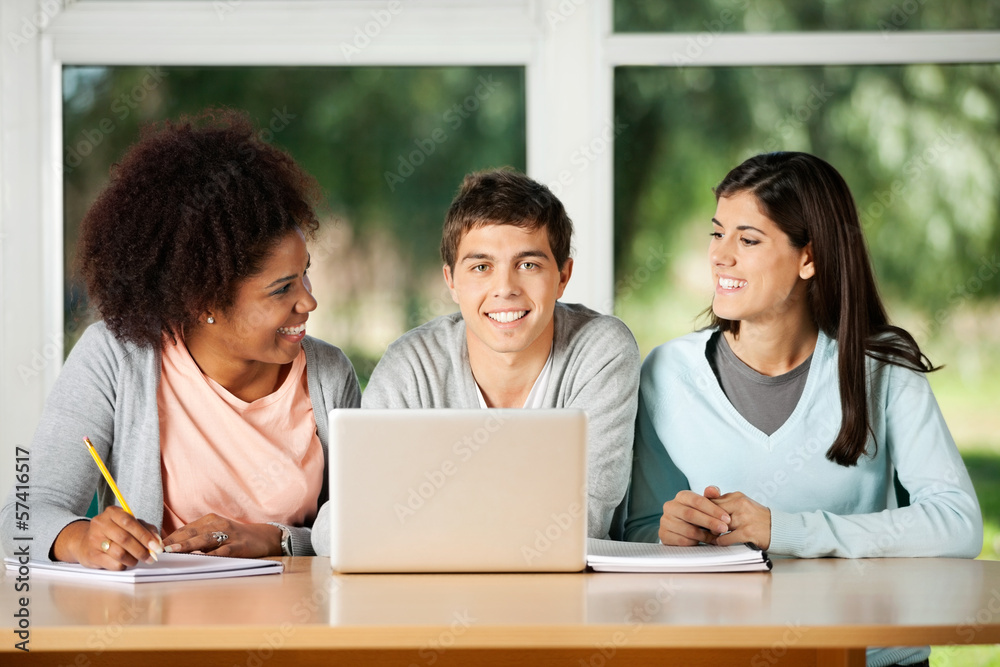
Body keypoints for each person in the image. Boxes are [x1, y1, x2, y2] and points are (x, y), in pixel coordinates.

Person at [624, 151, 982, 667]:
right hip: (723, 656)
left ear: (808, 258)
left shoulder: (882, 369)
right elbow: (636, 532)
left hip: (872, 658)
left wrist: (786, 530)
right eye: (717, 233)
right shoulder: (667, 373)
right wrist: (668, 532)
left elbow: (958, 522)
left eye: (747, 240)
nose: (720, 255)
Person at [0, 110, 360, 570]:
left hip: (296, 626)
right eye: (282, 288)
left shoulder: (329, 374)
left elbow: (363, 524)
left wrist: (277, 539)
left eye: (304, 275)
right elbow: (22, 516)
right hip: (160, 625)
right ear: (202, 301)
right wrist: (82, 539)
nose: (309, 302)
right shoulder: (115, 359)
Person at [312, 168, 639, 552]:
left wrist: (420, 515)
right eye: (481, 267)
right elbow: (339, 528)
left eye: (528, 265)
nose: (505, 289)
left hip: (562, 600)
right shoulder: (412, 367)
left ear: (563, 276)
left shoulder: (601, 351)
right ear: (451, 280)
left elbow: (583, 522)